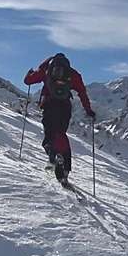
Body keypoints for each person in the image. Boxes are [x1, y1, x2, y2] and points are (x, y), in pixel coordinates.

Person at [24, 52, 96, 182]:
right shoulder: (72, 74)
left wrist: (30, 73)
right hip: (65, 107)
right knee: (61, 134)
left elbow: (28, 81)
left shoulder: (46, 70)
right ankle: (65, 169)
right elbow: (82, 93)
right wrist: (88, 110)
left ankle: (54, 158)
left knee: (49, 137)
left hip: (49, 106)